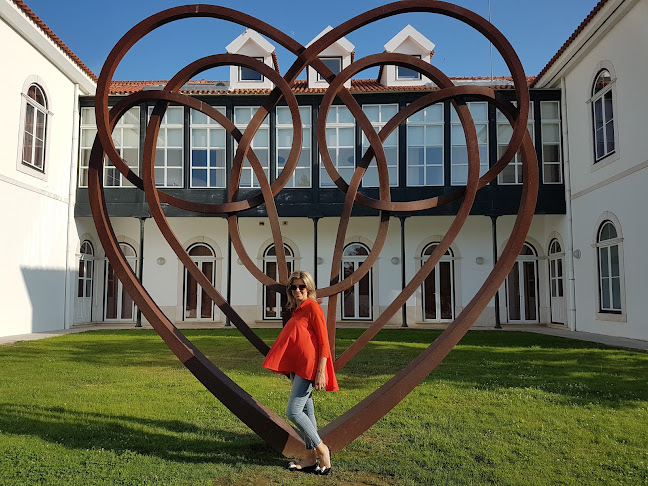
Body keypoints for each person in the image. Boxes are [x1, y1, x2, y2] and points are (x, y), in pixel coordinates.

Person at [262, 270, 338, 475]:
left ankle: (322, 450)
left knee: (293, 411)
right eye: (293, 287)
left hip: (309, 368)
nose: (297, 290)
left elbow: (324, 343)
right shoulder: (297, 310)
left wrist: (321, 372)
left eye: (301, 286)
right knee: (306, 412)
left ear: (309, 288)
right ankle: (310, 457)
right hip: (299, 367)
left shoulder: (313, 308)